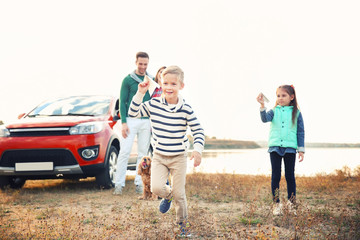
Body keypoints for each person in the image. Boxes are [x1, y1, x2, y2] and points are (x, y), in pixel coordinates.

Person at [128, 65, 205, 237]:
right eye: (165, 83)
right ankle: (167, 195)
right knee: (155, 188)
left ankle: (182, 226)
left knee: (180, 194)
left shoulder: (186, 109)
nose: (168, 87)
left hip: (178, 156)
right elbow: (133, 113)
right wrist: (140, 93)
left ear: (181, 86)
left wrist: (197, 150)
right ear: (160, 84)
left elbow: (198, 130)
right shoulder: (153, 104)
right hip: (160, 156)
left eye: (173, 84)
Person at [256, 85, 305, 215]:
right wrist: (262, 105)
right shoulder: (274, 111)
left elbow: (300, 132)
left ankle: (291, 204)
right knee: (275, 176)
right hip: (275, 147)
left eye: (284, 95)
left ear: (291, 97)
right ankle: (276, 204)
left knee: (290, 176)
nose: (280, 98)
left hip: (290, 148)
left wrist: (301, 149)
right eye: (278, 96)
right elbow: (264, 119)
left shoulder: (297, 113)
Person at [113, 52, 152, 195]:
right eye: (140, 64)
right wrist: (124, 123)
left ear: (148, 64)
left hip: (146, 121)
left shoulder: (151, 80)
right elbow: (122, 103)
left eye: (145, 64)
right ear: (136, 62)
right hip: (131, 120)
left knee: (143, 155)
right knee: (124, 152)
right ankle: (119, 185)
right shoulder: (128, 80)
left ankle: (139, 184)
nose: (142, 67)